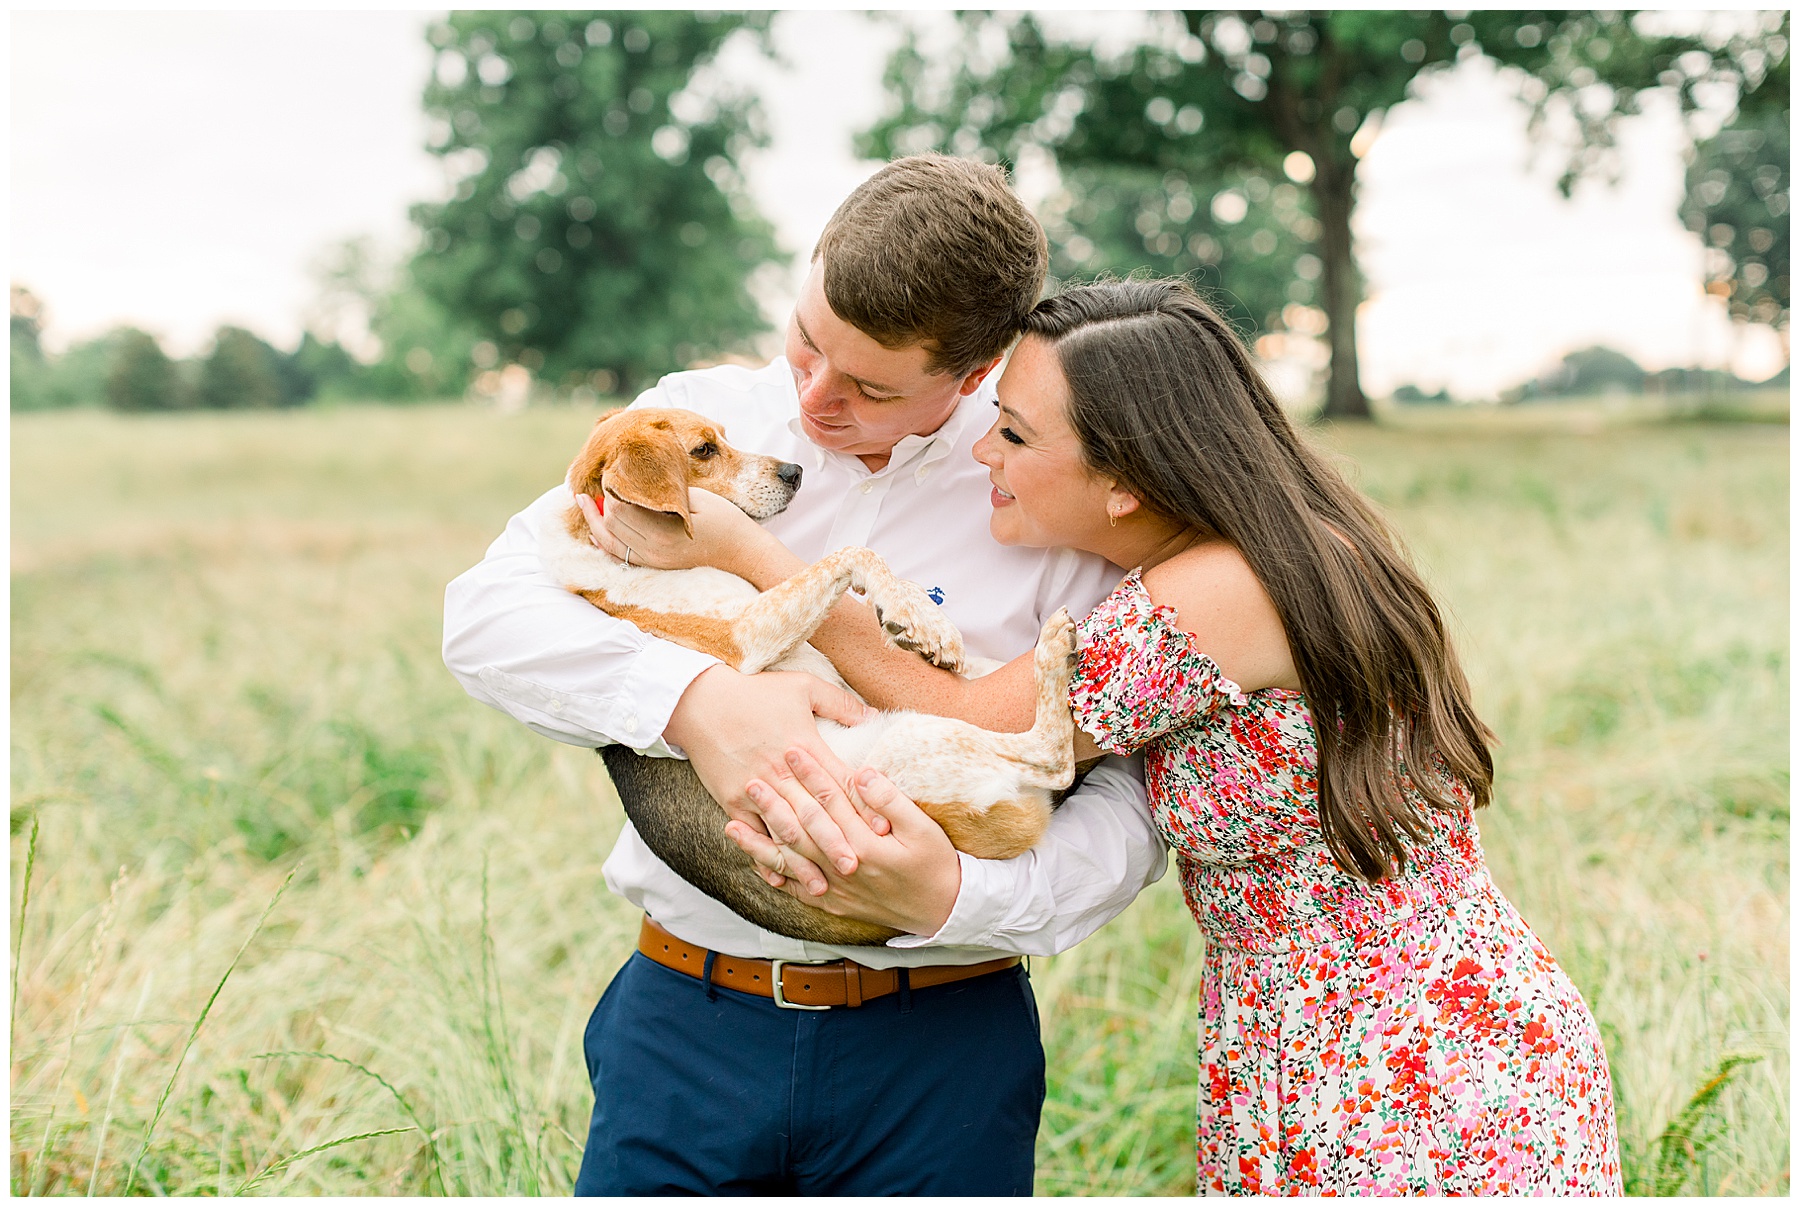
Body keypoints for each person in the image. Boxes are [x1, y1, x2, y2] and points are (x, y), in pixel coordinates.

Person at [628, 278, 1622, 1195]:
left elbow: (968, 725)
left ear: (1124, 481)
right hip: (1329, 1034)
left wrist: (756, 555)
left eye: (1013, 434)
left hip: (1404, 1063)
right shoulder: (1271, 555)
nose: (984, 453)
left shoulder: (1212, 596)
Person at [441, 156, 1164, 1196]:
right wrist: (699, 705)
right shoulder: (694, 422)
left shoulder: (1048, 493)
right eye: (806, 340)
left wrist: (955, 895)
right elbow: (488, 616)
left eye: (870, 386)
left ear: (969, 378)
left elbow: (1132, 803)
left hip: (942, 1047)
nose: (815, 400)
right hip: (685, 1018)